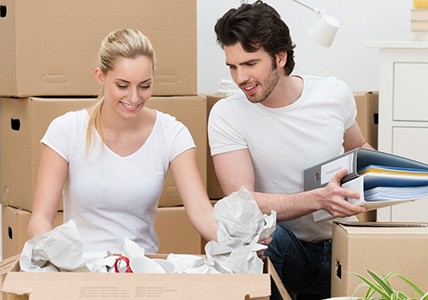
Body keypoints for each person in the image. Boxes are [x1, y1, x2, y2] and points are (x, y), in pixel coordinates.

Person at [209, 2, 374, 298]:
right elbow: (242, 202)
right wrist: (318, 199)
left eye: (250, 64)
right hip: (287, 250)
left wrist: (385, 180)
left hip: (342, 243)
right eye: (233, 66)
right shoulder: (228, 114)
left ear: (280, 57)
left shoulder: (333, 94)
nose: (240, 78)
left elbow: (359, 147)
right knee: (257, 234)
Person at [28, 29, 217, 254]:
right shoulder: (66, 130)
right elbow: (40, 219)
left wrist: (239, 246)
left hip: (140, 265)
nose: (134, 97)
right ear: (100, 76)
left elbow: (200, 211)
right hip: (80, 265)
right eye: (122, 85)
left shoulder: (172, 133)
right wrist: (57, 257)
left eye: (144, 86)